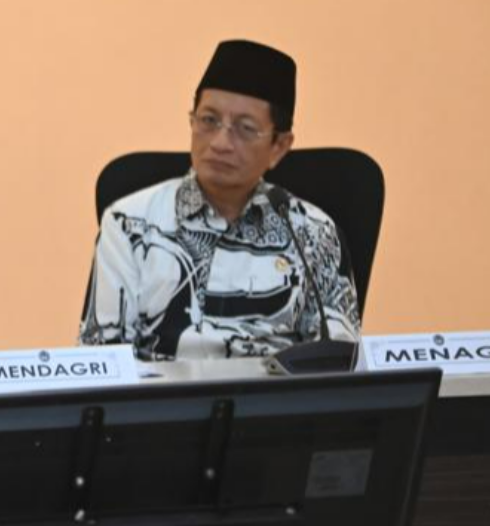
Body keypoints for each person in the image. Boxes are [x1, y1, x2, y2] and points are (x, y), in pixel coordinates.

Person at [80, 39, 360, 360]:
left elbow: (338, 361)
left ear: (279, 146)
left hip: (275, 392)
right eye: (209, 120)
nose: (220, 143)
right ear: (192, 121)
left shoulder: (313, 232)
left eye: (245, 129)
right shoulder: (130, 224)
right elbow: (102, 360)